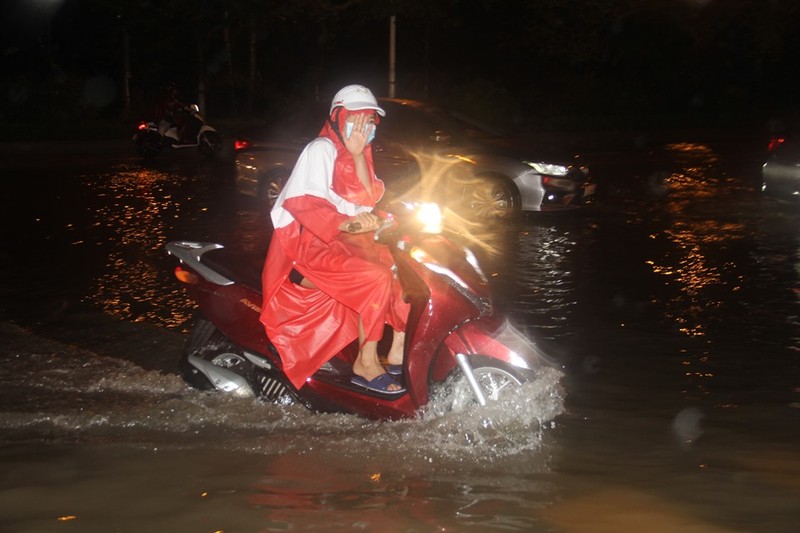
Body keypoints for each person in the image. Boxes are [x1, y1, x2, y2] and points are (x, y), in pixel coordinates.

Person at [260, 84, 409, 394]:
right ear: (338, 118)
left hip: (344, 242)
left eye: (369, 120)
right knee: (375, 278)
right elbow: (306, 205)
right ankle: (365, 364)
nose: (364, 127)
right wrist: (348, 224)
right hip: (309, 245)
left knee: (405, 274)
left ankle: (398, 352)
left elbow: (368, 198)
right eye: (356, 118)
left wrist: (356, 157)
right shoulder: (321, 149)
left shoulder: (357, 154)